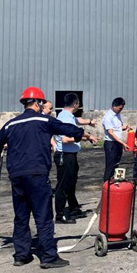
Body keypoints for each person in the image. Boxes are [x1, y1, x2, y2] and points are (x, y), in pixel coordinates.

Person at [0, 86, 84, 269]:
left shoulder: (11, 124)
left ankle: (21, 255)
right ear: (38, 102)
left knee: (21, 215)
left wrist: (3, 148)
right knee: (43, 215)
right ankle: (48, 256)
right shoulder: (44, 120)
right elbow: (67, 129)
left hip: (17, 175)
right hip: (37, 174)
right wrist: (81, 134)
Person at [53, 93, 98, 224]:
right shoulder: (65, 119)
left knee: (71, 183)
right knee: (63, 185)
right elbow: (66, 139)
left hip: (71, 155)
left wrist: (89, 122)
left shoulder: (68, 116)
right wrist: (86, 137)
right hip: (64, 155)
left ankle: (74, 209)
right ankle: (60, 215)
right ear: (75, 104)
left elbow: (78, 120)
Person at [102, 97, 130, 182]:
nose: (121, 110)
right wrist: (123, 143)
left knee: (116, 164)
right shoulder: (108, 117)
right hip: (111, 143)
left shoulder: (117, 115)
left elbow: (116, 128)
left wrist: (123, 127)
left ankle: (114, 181)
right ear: (114, 106)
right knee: (110, 165)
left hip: (118, 142)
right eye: (120, 108)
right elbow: (110, 132)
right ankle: (107, 183)